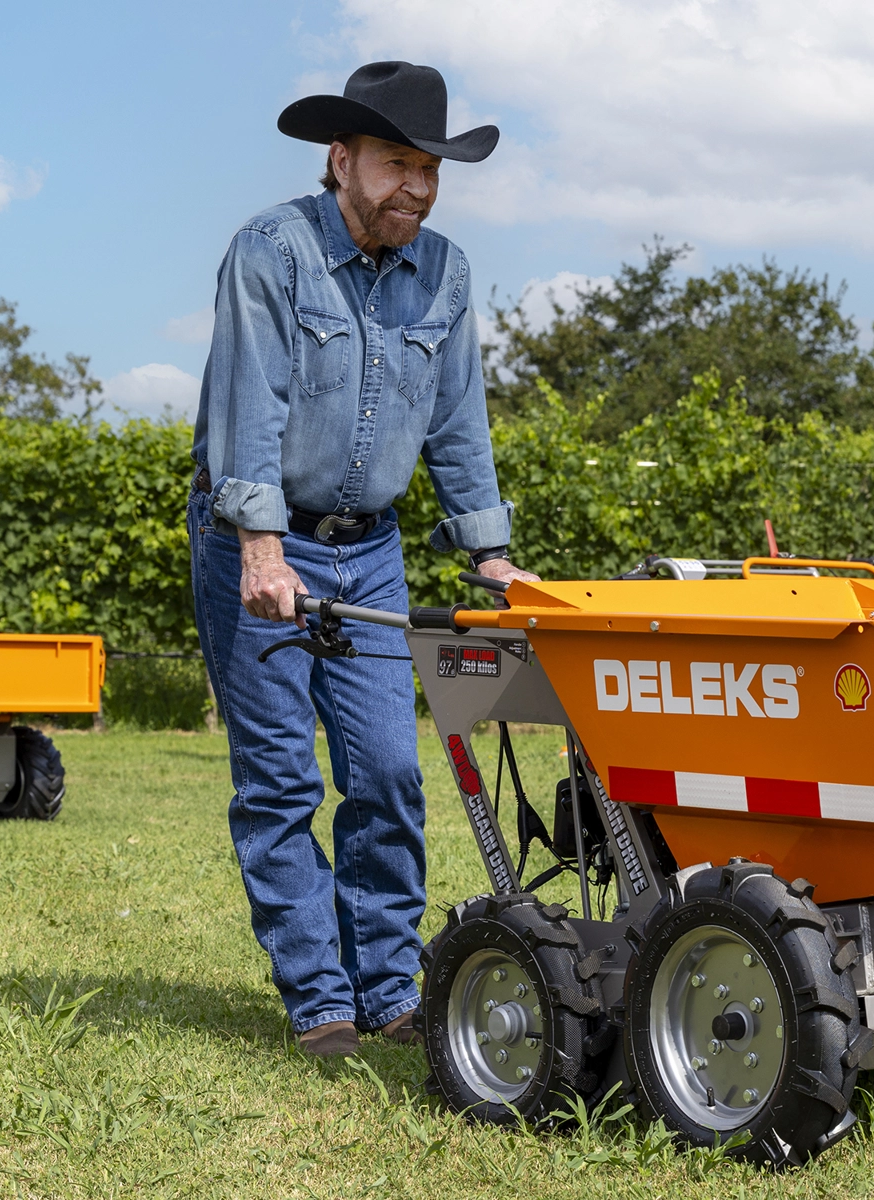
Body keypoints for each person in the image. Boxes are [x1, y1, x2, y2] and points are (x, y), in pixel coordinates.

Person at [188, 61, 536, 1057]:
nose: (416, 188)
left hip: (369, 553)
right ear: (340, 159)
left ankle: (389, 987)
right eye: (396, 163)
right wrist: (259, 543)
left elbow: (458, 419)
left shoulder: (446, 271)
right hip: (258, 541)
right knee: (280, 783)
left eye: (430, 168)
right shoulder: (271, 251)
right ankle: (318, 996)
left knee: (386, 771)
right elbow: (248, 404)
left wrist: (489, 554)